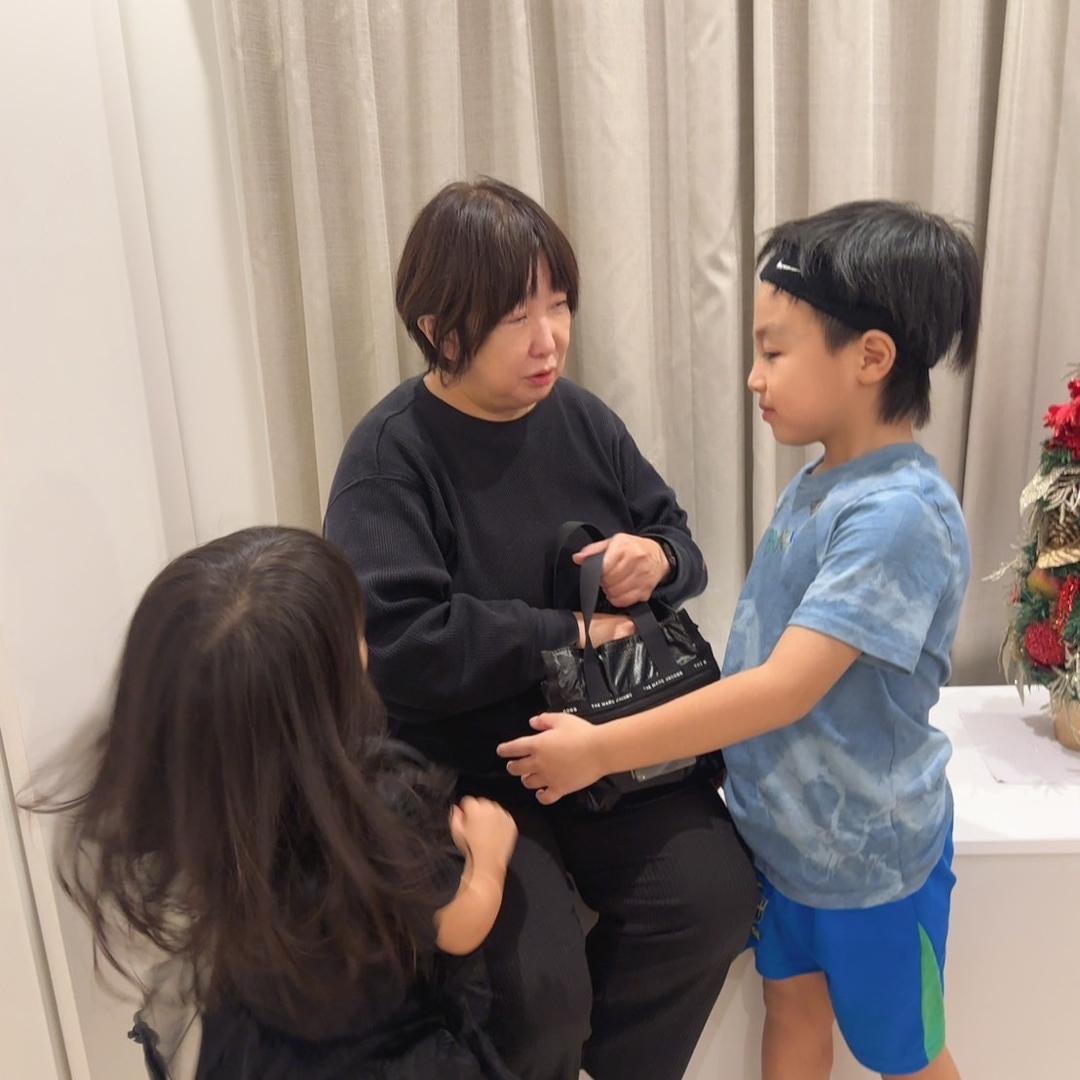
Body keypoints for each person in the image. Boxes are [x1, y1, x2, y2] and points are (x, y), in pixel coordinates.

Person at [498, 200, 981, 1080]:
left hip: (870, 865)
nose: (755, 379)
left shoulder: (900, 517)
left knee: (905, 1051)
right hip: (791, 846)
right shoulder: (823, 481)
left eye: (774, 352)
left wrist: (602, 747)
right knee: (792, 1011)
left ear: (871, 357)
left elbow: (781, 689)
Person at [324, 177, 758, 1080]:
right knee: (533, 994)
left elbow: (680, 539)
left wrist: (658, 559)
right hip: (475, 772)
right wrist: (563, 631)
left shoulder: (581, 417)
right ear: (441, 329)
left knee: (713, 899)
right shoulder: (390, 456)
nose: (549, 338)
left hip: (609, 749)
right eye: (516, 316)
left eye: (558, 305)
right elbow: (401, 646)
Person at [36, 526, 519, 1079]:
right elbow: (457, 928)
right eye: (355, 633)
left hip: (263, 1051)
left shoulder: (204, 813)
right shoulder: (377, 809)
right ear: (327, 687)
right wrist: (488, 858)